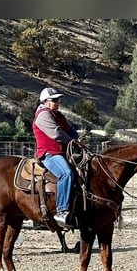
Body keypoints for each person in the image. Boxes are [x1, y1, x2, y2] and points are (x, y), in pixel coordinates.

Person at [32, 87, 80, 229]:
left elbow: (71, 130)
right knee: (66, 173)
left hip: (63, 153)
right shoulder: (43, 115)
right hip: (49, 153)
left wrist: (77, 139)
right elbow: (56, 134)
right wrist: (74, 142)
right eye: (54, 100)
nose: (58, 102)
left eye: (58, 100)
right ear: (45, 102)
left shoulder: (59, 115)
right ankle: (61, 211)